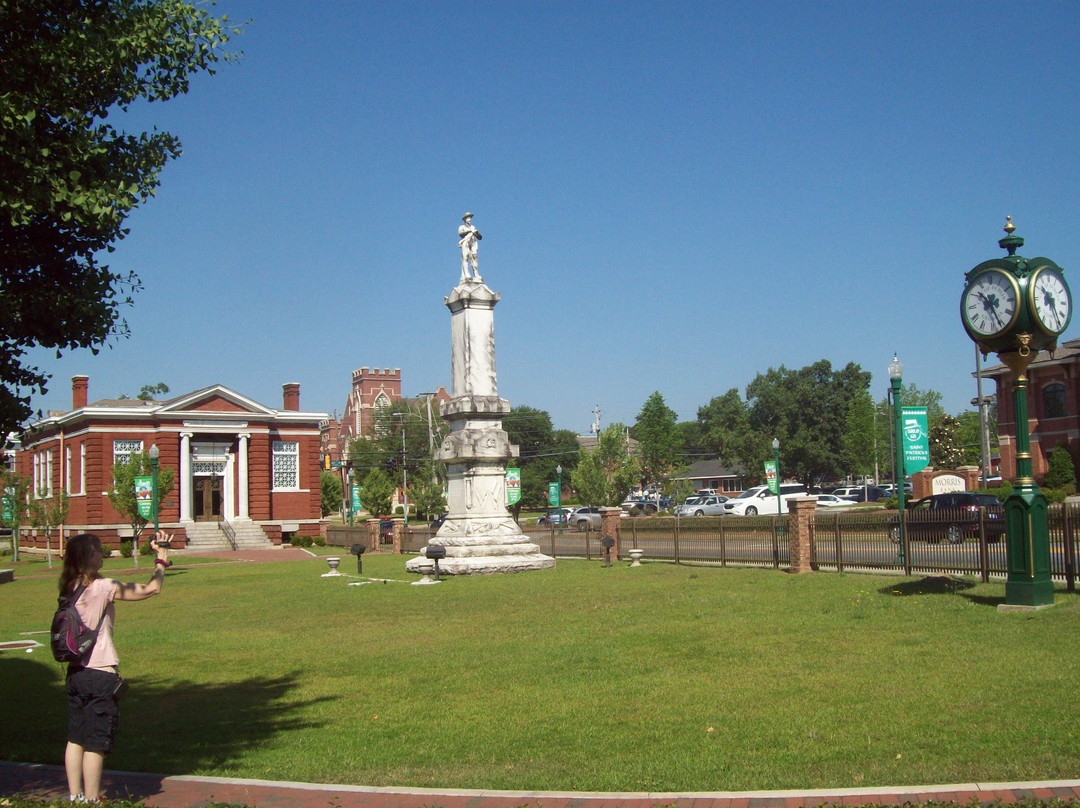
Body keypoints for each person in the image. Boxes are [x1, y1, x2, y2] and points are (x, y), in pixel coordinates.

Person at [60, 531, 173, 802]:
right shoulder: (103, 587)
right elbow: (151, 589)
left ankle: (75, 797)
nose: (104, 554)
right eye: (99, 551)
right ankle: (91, 800)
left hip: (75, 672)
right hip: (100, 674)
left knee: (76, 737)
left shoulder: (69, 587)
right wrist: (162, 559)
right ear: (89, 558)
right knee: (95, 741)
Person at [458, 212, 482, 283]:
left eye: (470, 218)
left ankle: (476, 274)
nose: (469, 219)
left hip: (473, 243)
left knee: (474, 258)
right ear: (465, 219)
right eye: (468, 218)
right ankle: (466, 274)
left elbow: (480, 237)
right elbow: (460, 234)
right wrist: (468, 231)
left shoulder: (473, 227)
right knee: (465, 257)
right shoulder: (461, 227)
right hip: (465, 243)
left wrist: (476, 233)